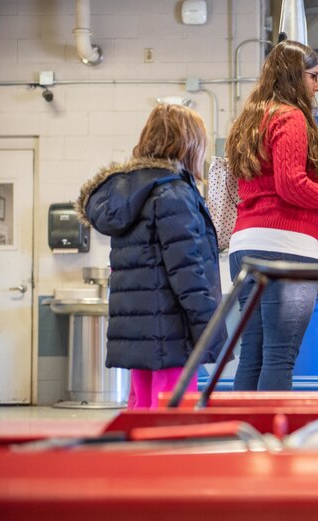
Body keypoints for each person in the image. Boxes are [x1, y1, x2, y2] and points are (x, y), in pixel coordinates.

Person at [225, 39, 318, 391]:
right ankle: (271, 442)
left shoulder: (250, 120)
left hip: (244, 246)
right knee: (280, 357)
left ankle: (245, 438)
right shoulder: (291, 116)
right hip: (285, 246)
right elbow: (291, 185)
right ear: (293, 76)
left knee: (252, 354)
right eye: (313, 76)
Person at [76, 104, 226, 408]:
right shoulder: (174, 194)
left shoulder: (130, 191)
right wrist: (210, 326)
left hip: (140, 332)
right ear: (188, 144)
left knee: (141, 408)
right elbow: (187, 271)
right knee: (171, 414)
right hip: (171, 331)